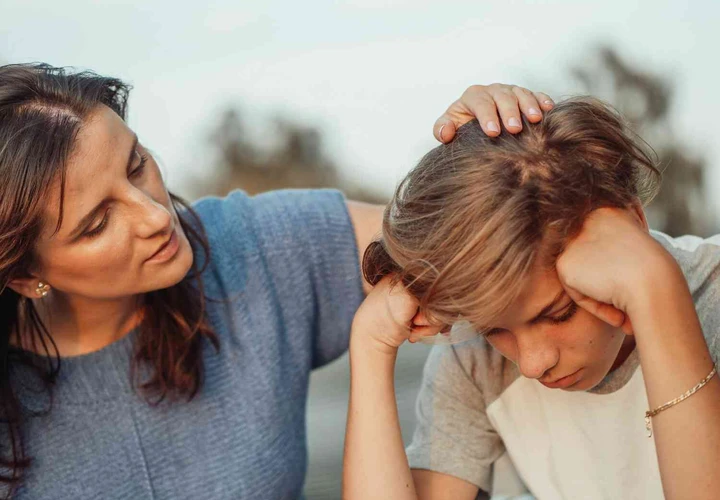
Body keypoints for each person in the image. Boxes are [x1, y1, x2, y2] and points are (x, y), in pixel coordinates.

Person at [0, 63, 552, 499]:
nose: (155, 217)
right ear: (25, 276)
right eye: (98, 223)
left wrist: (497, 153)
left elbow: (474, 236)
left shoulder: (256, 247)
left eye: (136, 164)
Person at [343, 97, 720, 499]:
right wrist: (370, 344)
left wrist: (655, 290)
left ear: (633, 224)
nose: (532, 363)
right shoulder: (475, 359)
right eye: (493, 329)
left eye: (558, 314)